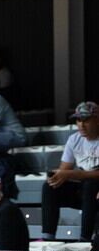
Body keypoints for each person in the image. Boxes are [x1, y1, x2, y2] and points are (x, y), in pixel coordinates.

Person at [41, 101, 99, 243]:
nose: (81, 125)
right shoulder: (74, 139)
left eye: (86, 120)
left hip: (96, 192)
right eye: (79, 120)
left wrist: (71, 174)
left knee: (91, 184)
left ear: (97, 120)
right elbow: (64, 171)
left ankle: (84, 239)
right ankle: (48, 239)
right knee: (50, 186)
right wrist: (56, 176)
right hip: (84, 191)